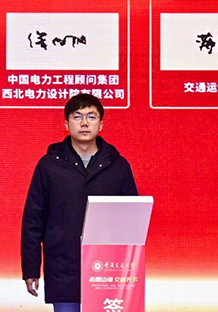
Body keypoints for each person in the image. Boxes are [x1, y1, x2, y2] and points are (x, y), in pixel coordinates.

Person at [21, 93, 140, 312]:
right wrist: (31, 269)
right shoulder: (49, 165)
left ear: (101, 124)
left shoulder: (118, 166)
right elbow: (33, 221)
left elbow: (132, 221)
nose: (84, 123)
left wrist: (130, 268)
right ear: (66, 124)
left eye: (91, 117)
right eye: (77, 117)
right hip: (63, 268)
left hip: (109, 269)